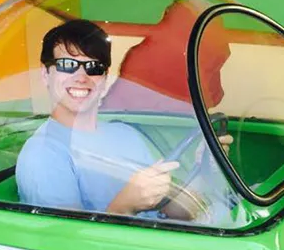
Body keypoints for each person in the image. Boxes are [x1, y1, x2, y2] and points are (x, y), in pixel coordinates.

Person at [15, 19, 234, 223]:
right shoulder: (42, 154)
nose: (81, 77)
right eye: (67, 64)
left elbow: (172, 212)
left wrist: (205, 171)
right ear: (45, 74)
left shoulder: (125, 133)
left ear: (104, 79)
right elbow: (68, 246)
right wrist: (123, 206)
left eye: (94, 68)